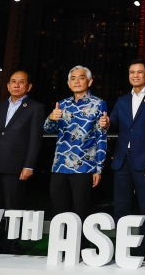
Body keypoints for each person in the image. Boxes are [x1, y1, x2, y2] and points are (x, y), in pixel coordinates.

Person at [0, 70, 45, 253]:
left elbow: (35, 139)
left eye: (21, 82)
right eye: (13, 81)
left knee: (14, 207)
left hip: (17, 165)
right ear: (7, 85)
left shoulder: (35, 107)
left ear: (28, 87)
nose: (16, 84)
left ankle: (12, 244)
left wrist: (29, 165)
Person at [98, 60, 145, 250]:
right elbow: (113, 123)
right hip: (121, 160)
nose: (135, 75)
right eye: (131, 72)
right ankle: (123, 248)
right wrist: (106, 124)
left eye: (139, 72)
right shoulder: (122, 100)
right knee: (121, 207)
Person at [44, 65, 107, 223]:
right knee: (59, 212)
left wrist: (98, 168)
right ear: (68, 83)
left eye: (81, 78)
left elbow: (101, 136)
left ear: (90, 82)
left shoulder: (99, 104)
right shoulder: (62, 104)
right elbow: (48, 129)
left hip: (85, 166)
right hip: (59, 165)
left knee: (82, 211)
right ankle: (61, 246)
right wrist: (51, 118)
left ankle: (83, 247)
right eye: (73, 78)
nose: (77, 81)